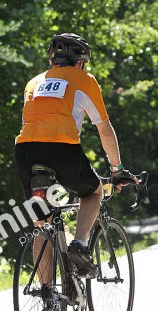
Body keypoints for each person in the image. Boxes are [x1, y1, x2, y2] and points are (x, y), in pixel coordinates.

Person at [14, 33, 136, 281]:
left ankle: (47, 295)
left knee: (42, 225)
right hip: (61, 148)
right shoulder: (84, 80)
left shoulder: (33, 83)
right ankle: (79, 245)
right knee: (92, 192)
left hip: (26, 151)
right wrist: (116, 169)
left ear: (52, 59)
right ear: (80, 62)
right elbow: (104, 128)